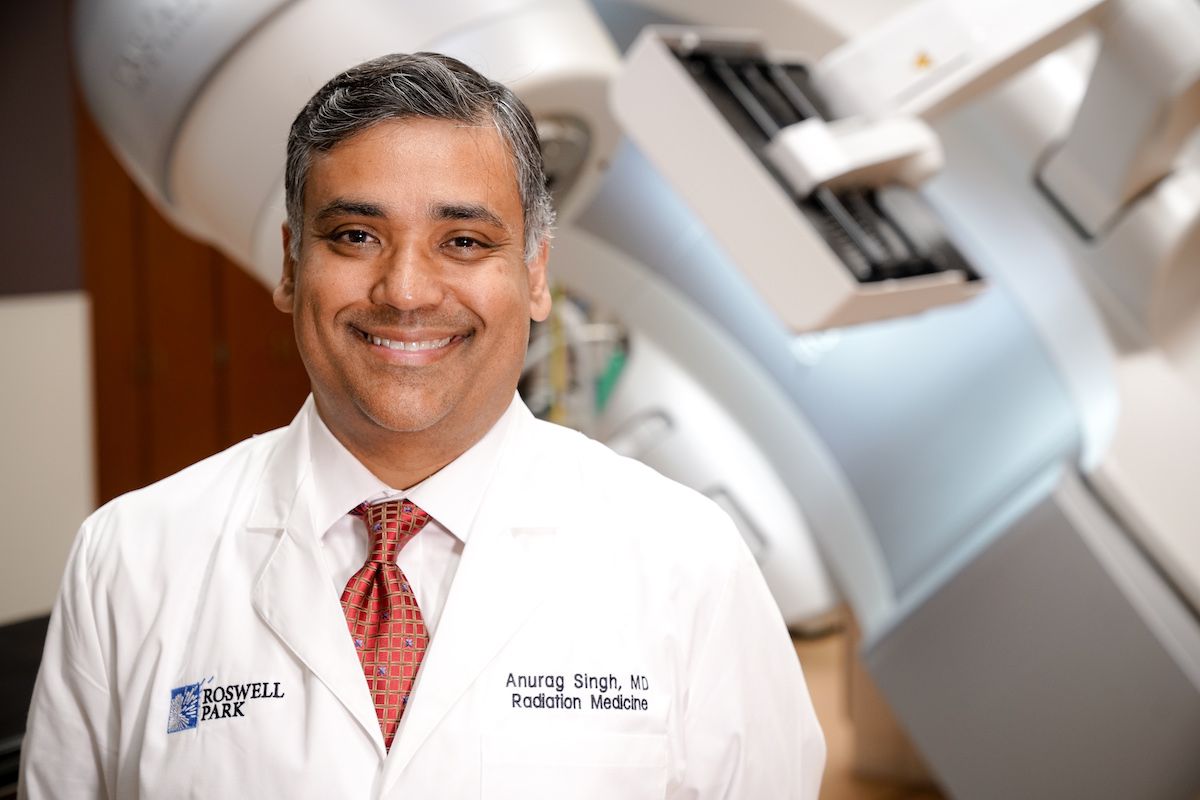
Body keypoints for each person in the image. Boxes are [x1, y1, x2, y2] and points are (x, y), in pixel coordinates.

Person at [20, 52, 824, 798]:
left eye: (464, 241)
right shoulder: (128, 558)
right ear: (293, 265)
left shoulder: (687, 560)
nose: (405, 290)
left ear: (535, 274)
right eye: (356, 236)